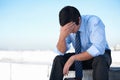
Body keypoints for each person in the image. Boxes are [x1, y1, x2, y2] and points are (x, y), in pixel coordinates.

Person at [49, 6, 112, 80]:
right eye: (67, 30)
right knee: (58, 60)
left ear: (79, 20)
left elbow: (98, 49)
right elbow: (61, 51)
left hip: (100, 56)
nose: (70, 32)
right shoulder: (67, 29)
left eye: (71, 28)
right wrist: (62, 36)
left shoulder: (94, 22)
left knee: (100, 59)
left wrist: (73, 58)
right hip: (80, 57)